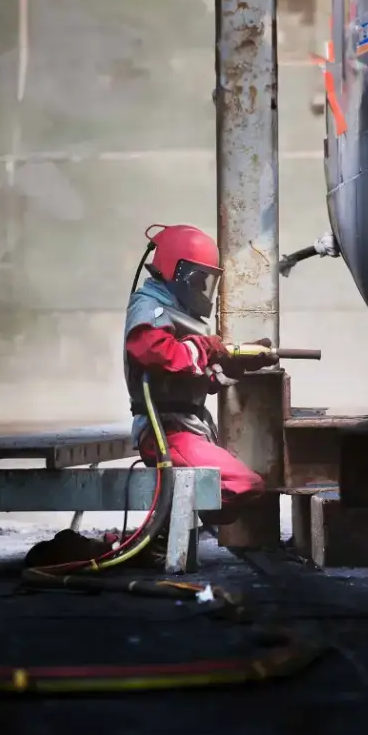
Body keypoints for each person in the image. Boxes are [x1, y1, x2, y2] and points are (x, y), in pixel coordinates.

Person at [124, 223, 274, 533]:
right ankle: (164, 535)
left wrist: (235, 364)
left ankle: (166, 534)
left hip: (185, 429)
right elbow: (155, 352)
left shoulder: (176, 313)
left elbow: (193, 376)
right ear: (176, 270)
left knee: (245, 486)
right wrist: (205, 347)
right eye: (197, 278)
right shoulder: (148, 305)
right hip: (164, 432)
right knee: (241, 485)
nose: (202, 286)